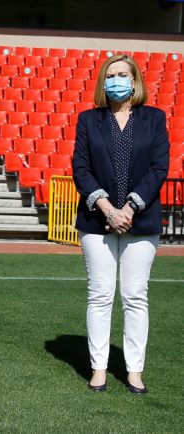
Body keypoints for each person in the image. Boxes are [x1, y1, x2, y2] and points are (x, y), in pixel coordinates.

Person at [72, 54, 169, 394]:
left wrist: (128, 208)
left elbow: (159, 168)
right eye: (110, 75)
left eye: (122, 74)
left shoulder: (155, 118)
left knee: (134, 296)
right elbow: (80, 169)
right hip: (97, 221)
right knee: (100, 296)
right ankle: (98, 368)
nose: (116, 80)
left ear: (135, 80)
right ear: (103, 82)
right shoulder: (88, 120)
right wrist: (107, 209)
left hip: (140, 222)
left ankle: (134, 371)